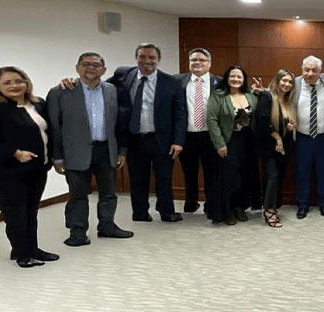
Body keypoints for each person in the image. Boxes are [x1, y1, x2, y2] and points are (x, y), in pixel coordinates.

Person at [0, 66, 59, 267]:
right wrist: (14, 153)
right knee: (15, 213)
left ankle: (31, 248)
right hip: (5, 172)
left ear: (26, 82)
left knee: (30, 212)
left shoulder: (38, 104)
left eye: (19, 80)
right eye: (7, 82)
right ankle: (22, 254)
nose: (15, 85)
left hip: (36, 169)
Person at [46, 52, 133, 247]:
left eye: (96, 65)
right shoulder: (60, 92)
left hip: (106, 149)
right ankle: (77, 232)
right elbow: (54, 127)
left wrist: (122, 151)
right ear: (77, 68)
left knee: (108, 193)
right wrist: (57, 157)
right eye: (86, 64)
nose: (91, 68)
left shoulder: (112, 90)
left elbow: (120, 124)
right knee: (77, 194)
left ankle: (107, 226)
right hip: (75, 152)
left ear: (103, 70)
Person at [109, 43, 186, 223]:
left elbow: (180, 114)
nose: (147, 61)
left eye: (152, 58)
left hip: (162, 139)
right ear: (136, 58)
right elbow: (99, 85)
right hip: (134, 137)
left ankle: (167, 211)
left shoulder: (172, 82)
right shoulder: (123, 75)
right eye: (142, 57)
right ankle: (140, 212)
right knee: (137, 178)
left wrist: (178, 140)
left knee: (164, 177)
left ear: (158, 60)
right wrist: (73, 81)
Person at [206, 65, 265, 225]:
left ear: (244, 79)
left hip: (247, 141)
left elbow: (265, 108)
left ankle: (240, 206)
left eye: (239, 77)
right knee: (229, 177)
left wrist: (262, 92)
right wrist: (219, 144)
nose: (236, 79)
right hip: (228, 140)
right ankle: (228, 209)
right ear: (227, 78)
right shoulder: (218, 96)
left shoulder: (250, 95)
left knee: (245, 175)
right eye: (232, 76)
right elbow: (211, 120)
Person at [175, 48, 222, 217]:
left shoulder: (219, 82)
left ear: (209, 63)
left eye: (202, 60)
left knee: (212, 173)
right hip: (187, 136)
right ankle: (190, 203)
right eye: (194, 60)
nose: (197, 63)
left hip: (210, 137)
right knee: (189, 172)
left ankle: (210, 205)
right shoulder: (178, 81)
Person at [293, 55, 324, 219]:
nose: (310, 73)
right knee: (302, 172)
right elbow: (275, 90)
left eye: (314, 70)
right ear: (302, 70)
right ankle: (302, 205)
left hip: (323, 138)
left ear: (320, 71)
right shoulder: (295, 83)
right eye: (306, 70)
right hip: (302, 137)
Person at [257, 69, 296, 228]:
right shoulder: (267, 96)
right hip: (268, 146)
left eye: (290, 82)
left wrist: (290, 127)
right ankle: (269, 211)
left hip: (284, 147)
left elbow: (284, 126)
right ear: (277, 80)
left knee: (276, 177)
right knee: (272, 176)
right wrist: (277, 136)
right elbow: (262, 121)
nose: (286, 84)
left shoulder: (288, 102)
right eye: (284, 80)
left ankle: (270, 204)